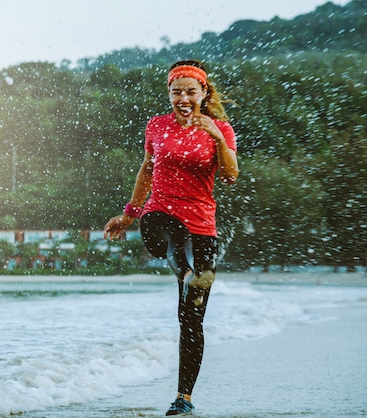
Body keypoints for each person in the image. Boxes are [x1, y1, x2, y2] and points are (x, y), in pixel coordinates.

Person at [103, 59, 239, 416]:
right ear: (169, 94)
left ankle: (184, 398)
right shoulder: (156, 126)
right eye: (176, 91)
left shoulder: (220, 128)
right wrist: (129, 213)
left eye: (190, 91)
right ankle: (187, 272)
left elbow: (231, 175)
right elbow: (146, 169)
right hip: (159, 214)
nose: (183, 97)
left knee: (190, 320)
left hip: (201, 227)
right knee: (159, 228)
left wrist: (216, 137)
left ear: (203, 93)